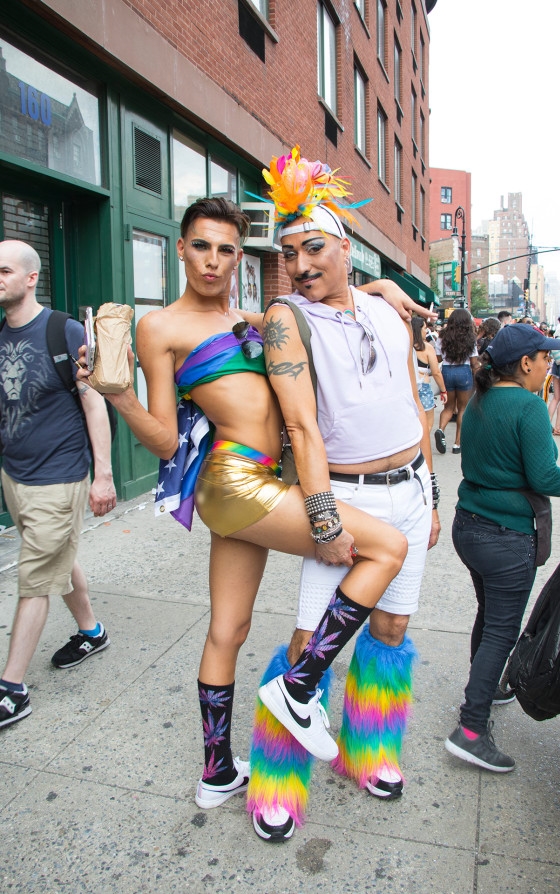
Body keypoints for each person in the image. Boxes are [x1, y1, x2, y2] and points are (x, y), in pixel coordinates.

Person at [77, 195, 431, 812]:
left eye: (225, 250)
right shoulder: (161, 326)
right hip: (237, 481)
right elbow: (163, 437)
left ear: (239, 257)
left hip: (258, 483)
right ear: (181, 248)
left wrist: (375, 284)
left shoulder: (257, 313)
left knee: (228, 629)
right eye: (200, 246)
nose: (211, 261)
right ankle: (298, 690)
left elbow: (324, 299)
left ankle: (217, 772)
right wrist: (118, 396)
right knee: (386, 547)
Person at [244, 148, 441, 842]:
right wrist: (324, 518)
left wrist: (434, 495)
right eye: (289, 253)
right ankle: (276, 783)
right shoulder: (285, 317)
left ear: (345, 246)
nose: (300, 266)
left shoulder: (387, 305)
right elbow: (300, 423)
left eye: (314, 248)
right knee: (310, 644)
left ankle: (369, 750)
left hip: (410, 491)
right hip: (347, 498)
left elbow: (415, 399)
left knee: (390, 630)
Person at [446, 323, 560, 772]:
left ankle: (486, 687)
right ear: (525, 363)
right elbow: (546, 478)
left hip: (469, 527)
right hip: (505, 537)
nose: (550, 363)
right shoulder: (529, 408)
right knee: (500, 629)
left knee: (488, 616)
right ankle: (472, 728)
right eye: (545, 357)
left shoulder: (482, 398)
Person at [0, 240, 116, 729]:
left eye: (2, 270)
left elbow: (94, 404)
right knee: (56, 559)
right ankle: (91, 631)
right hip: (14, 474)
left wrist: (104, 474)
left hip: (58, 475)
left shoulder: (63, 331)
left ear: (30, 278)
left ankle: (11, 688)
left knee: (35, 579)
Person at [434, 309, 479, 455]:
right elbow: (474, 362)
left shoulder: (442, 336)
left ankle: (441, 430)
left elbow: (438, 359)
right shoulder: (470, 338)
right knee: (462, 409)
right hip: (464, 371)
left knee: (448, 407)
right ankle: (457, 444)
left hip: (447, 371)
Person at [412, 315, 447, 433]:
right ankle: (423, 449)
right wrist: (443, 390)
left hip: (409, 388)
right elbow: (436, 372)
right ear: (418, 329)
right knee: (427, 425)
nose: (426, 331)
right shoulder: (427, 348)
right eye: (424, 328)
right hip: (424, 389)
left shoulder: (405, 345)